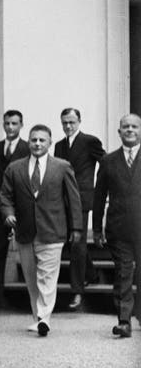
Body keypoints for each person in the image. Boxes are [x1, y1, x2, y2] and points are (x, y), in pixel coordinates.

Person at [0, 124, 82, 337]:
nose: (37, 143)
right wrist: (8, 213)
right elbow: (5, 195)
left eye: (42, 140)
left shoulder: (62, 167)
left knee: (47, 276)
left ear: (50, 143)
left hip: (52, 230)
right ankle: (38, 317)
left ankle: (44, 318)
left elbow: (73, 200)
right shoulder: (15, 168)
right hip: (25, 231)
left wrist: (77, 227)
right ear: (28, 142)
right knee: (31, 277)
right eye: (34, 140)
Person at [92, 114, 141, 338]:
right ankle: (124, 321)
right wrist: (97, 229)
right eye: (125, 127)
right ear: (119, 132)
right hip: (118, 229)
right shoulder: (108, 161)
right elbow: (99, 197)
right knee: (122, 273)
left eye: (134, 126)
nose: (130, 130)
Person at [53, 108, 104, 310]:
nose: (68, 126)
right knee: (71, 242)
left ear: (79, 121)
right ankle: (91, 274)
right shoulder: (58, 146)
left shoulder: (90, 141)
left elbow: (106, 163)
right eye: (64, 122)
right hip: (63, 199)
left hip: (82, 199)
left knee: (76, 243)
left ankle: (77, 292)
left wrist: (97, 187)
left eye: (72, 122)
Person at [0, 110, 31, 312]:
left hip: (23, 209)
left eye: (14, 123)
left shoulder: (29, 148)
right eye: (7, 123)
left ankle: (34, 300)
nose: (10, 127)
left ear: (21, 125)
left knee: (30, 253)